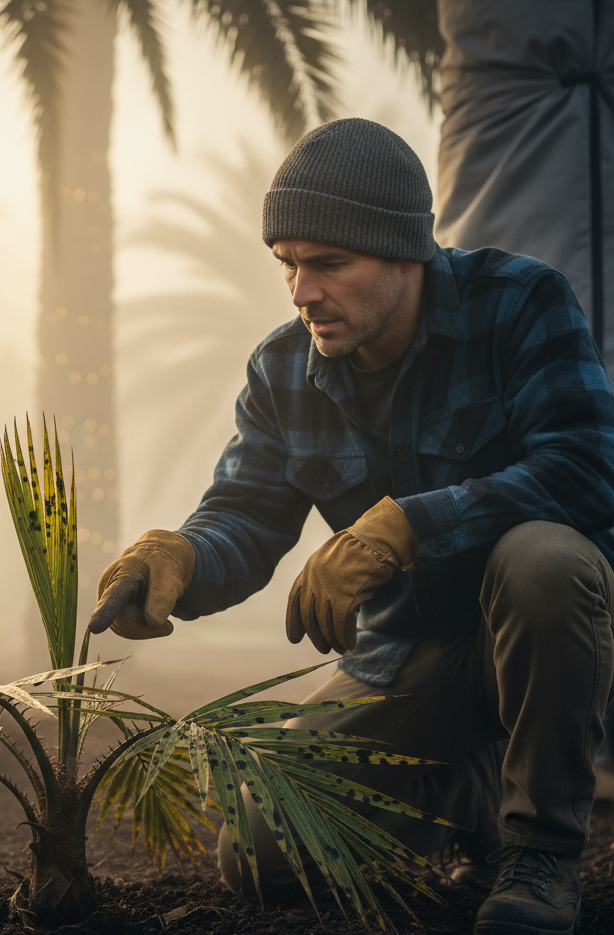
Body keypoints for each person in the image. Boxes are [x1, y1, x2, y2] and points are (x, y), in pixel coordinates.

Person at [91, 118, 614, 935]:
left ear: (406, 253)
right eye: (288, 265)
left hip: (550, 637)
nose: (302, 292)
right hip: (409, 652)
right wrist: (183, 557)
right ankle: (471, 789)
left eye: (328, 263)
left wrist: (409, 525)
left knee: (542, 557)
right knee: (262, 856)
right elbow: (247, 516)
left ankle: (541, 858)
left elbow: (589, 467)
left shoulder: (520, 303)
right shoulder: (280, 370)